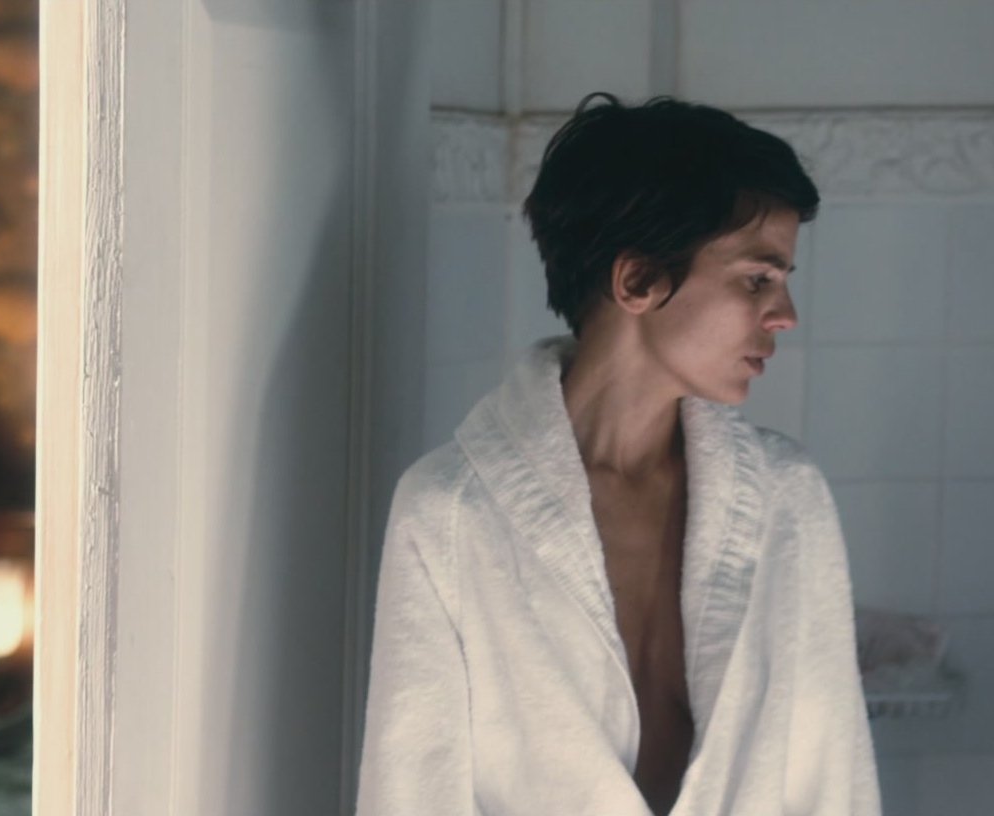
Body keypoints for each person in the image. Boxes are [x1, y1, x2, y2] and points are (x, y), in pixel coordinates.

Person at [356, 92, 881, 816]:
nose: (785, 316)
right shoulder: (451, 513)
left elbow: (834, 784)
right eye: (757, 280)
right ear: (636, 281)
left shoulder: (788, 498)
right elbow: (414, 794)